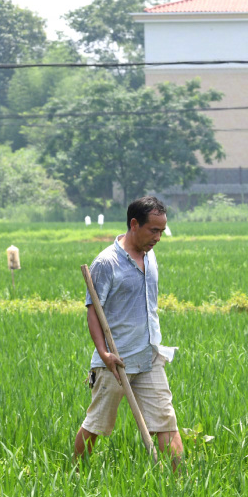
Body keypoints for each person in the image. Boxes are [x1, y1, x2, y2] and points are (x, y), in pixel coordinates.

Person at [73, 196, 183, 468]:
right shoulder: (106, 263)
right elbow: (93, 311)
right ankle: (75, 474)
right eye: (153, 230)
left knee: (166, 423)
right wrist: (104, 353)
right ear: (134, 224)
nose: (158, 237)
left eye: (162, 231)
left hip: (149, 356)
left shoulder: (150, 254)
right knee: (96, 424)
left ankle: (180, 483)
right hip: (116, 359)